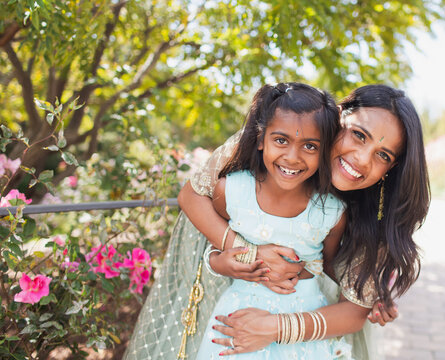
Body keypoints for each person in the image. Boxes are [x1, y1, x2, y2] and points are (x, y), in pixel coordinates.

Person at [123, 84, 428, 359]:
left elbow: (351, 306)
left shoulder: (372, 213)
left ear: (392, 169)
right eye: (358, 135)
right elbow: (192, 194)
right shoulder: (283, 134)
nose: (362, 159)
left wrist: (365, 292)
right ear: (337, 118)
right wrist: (245, 251)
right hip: (232, 305)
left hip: (305, 323)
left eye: (383, 155)